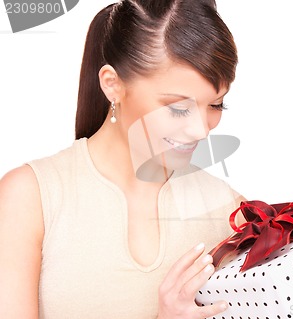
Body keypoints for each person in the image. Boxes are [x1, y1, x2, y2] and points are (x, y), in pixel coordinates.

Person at [0, 0, 245, 318]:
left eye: (216, 105)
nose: (201, 130)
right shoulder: (30, 197)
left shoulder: (230, 211)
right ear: (112, 85)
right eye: (178, 107)